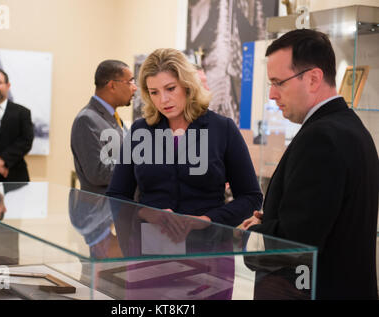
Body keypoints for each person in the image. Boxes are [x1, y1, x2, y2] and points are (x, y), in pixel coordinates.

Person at [240, 29, 378, 299]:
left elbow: (296, 245)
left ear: (313, 78)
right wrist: (274, 220)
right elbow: (322, 219)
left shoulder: (321, 137)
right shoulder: (349, 127)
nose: (271, 94)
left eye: (278, 82)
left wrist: (252, 232)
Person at [106, 48, 262, 230]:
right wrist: (146, 212)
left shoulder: (222, 128)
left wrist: (207, 220)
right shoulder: (140, 131)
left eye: (170, 88)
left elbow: (251, 197)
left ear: (187, 85)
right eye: (154, 92)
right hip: (152, 245)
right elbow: (116, 194)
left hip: (209, 246)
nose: (163, 100)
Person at [71, 60, 137, 195]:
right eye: (130, 82)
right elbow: (98, 173)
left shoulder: (113, 117)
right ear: (112, 85)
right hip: (101, 211)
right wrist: (141, 166)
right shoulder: (87, 119)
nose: (134, 88)